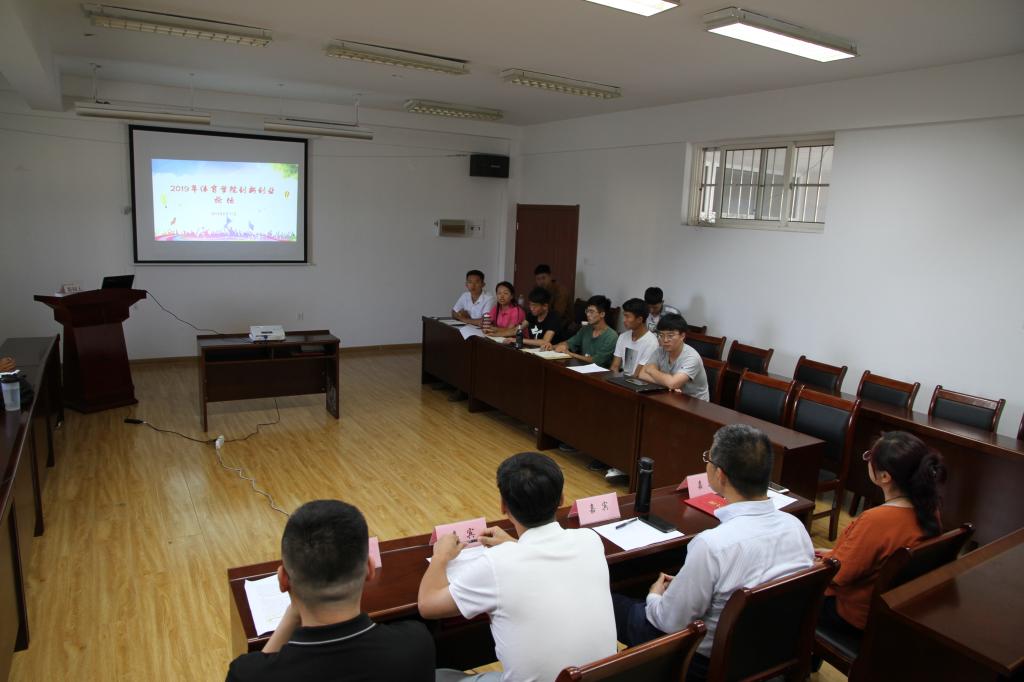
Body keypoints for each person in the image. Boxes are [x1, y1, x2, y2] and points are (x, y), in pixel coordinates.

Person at [611, 425, 814, 681]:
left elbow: (669, 622)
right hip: (770, 652)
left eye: (708, 458)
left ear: (720, 475)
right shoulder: (796, 528)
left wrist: (654, 596)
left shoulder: (712, 545)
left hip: (706, 663)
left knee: (612, 603)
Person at [418, 452, 617, 682]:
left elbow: (428, 605)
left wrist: (441, 556)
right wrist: (516, 544)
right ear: (562, 499)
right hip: (598, 677)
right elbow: (544, 564)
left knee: (439, 676)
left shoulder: (496, 564)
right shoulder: (590, 540)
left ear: (503, 506)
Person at [226, 500, 435, 682]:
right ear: (370, 569)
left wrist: (294, 612)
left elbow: (262, 668)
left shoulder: (246, 675)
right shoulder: (415, 644)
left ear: (283, 580)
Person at [818, 431, 947, 635]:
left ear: (885, 476)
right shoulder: (930, 510)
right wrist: (832, 554)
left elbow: (839, 575)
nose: (868, 460)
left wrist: (820, 560)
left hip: (852, 615)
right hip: (892, 613)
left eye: (870, 456)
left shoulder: (877, 520)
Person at [637, 313, 710, 401]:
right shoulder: (660, 351)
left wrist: (651, 370)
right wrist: (668, 383)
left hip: (695, 403)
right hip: (671, 396)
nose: (665, 340)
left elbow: (673, 383)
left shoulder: (692, 357)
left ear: (682, 336)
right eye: (661, 335)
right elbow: (642, 374)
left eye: (670, 336)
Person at [552, 295, 617, 368]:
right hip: (582, 368)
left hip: (600, 372)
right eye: (587, 311)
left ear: (602, 314)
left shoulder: (611, 336)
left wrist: (571, 354)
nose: (588, 314)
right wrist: (554, 346)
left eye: (591, 312)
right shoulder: (586, 329)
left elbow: (597, 361)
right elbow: (570, 342)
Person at [609, 298, 659, 376]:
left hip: (637, 381)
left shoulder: (652, 342)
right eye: (624, 316)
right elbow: (614, 366)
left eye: (627, 317)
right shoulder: (623, 336)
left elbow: (637, 375)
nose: (624, 320)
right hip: (621, 378)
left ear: (639, 319)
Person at [506, 287, 570, 347]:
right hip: (534, 350)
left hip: (551, 351)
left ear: (545, 306)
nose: (531, 308)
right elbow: (516, 330)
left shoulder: (554, 317)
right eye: (530, 304)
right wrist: (499, 334)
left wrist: (519, 340)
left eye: (535, 306)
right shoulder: (532, 314)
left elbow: (545, 342)